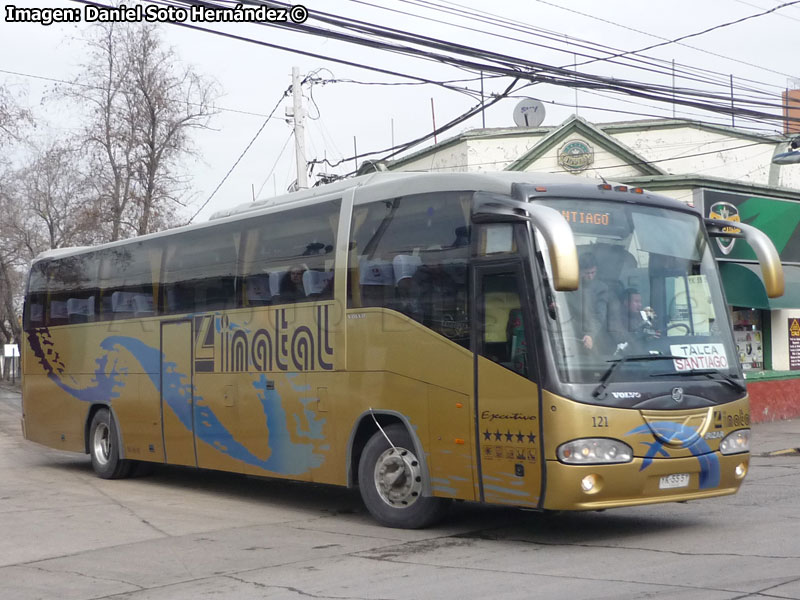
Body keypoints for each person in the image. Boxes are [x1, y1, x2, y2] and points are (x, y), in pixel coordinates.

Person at [566, 252, 608, 352]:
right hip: (569, 335)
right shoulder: (569, 286)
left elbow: (599, 315)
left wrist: (590, 334)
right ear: (579, 271)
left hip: (592, 337)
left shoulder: (601, 288)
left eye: (593, 273)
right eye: (587, 273)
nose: (590, 276)